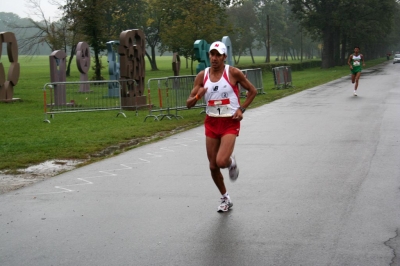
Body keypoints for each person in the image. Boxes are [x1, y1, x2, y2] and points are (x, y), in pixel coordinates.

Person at [186, 41, 257, 212]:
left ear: (224, 57)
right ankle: (225, 198)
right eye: (212, 54)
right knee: (212, 166)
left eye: (218, 55)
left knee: (221, 161)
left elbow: (252, 91)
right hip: (211, 122)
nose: (214, 58)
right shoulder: (202, 76)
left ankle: (231, 162)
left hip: (229, 122)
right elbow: (188, 104)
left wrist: (241, 109)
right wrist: (197, 96)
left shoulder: (232, 73)